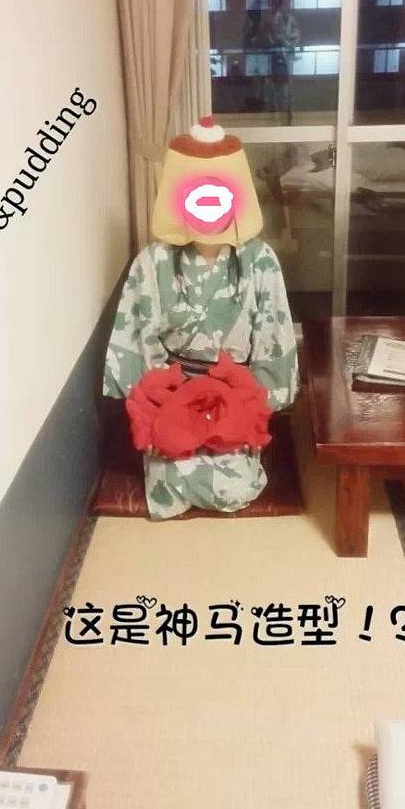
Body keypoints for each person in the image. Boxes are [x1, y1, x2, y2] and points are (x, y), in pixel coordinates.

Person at [103, 116, 299, 520]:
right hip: (173, 395)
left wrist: (249, 410)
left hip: (235, 396)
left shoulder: (259, 259)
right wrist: (159, 412)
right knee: (170, 481)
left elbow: (271, 341)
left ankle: (236, 457)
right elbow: (139, 341)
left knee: (233, 486)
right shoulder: (152, 262)